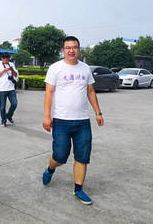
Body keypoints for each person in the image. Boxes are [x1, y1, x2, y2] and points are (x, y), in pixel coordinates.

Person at [42, 36, 104, 205]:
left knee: (82, 157)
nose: (71, 50)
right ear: (63, 50)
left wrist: (98, 112)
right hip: (61, 121)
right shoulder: (56, 68)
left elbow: (90, 91)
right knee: (60, 156)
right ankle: (51, 168)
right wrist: (47, 116)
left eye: (75, 47)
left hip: (83, 121)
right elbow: (49, 93)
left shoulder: (85, 69)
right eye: (68, 47)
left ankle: (78, 189)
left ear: (79, 49)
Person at [0, 53, 19, 127]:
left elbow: (15, 75)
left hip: (11, 88)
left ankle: (8, 116)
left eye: (8, 59)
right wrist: (4, 70)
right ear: (2, 59)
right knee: (2, 107)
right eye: (5, 59)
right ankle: (3, 121)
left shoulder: (11, 64)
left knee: (14, 104)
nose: (6, 61)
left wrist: (12, 69)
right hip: (2, 89)